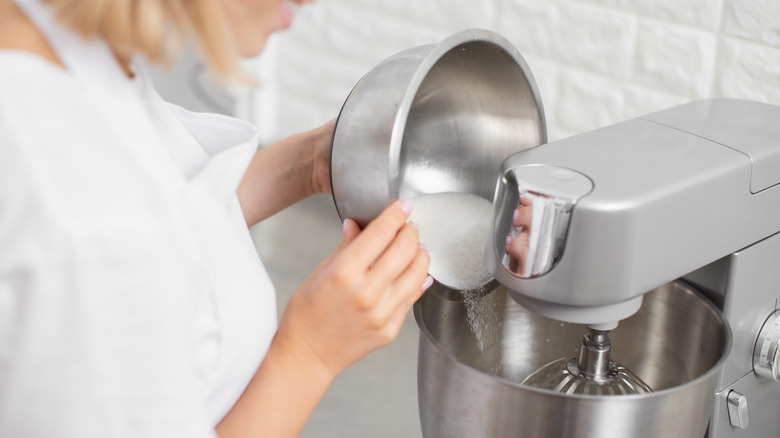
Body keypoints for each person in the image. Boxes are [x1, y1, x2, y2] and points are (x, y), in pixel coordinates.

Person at [0, 0, 433, 436]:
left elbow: (173, 211)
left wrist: (314, 162)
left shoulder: (46, 39)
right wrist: (309, 353)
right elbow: (125, 227)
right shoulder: (98, 231)